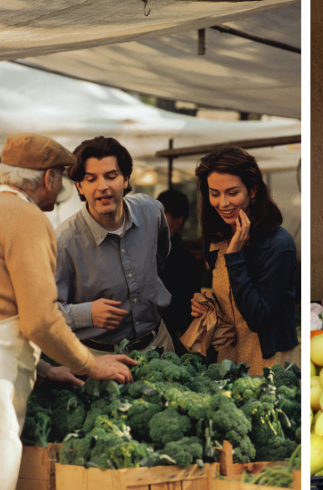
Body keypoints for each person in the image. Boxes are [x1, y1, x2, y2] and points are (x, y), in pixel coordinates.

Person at [0, 134, 137, 489]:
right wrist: (89, 364)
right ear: (49, 178)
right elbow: (40, 321)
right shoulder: (26, 217)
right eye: (62, 176)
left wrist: (47, 370)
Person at [55, 136, 175, 356]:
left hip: (159, 345)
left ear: (126, 179)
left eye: (111, 176)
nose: (103, 187)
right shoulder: (63, 243)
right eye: (91, 179)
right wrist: (87, 313)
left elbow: (159, 260)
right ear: (79, 186)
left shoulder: (152, 212)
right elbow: (44, 312)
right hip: (100, 357)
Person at [191, 146, 299, 374]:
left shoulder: (279, 245)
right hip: (227, 360)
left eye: (232, 192)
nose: (223, 203)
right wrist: (208, 307)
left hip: (269, 364)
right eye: (214, 193)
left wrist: (235, 257)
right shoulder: (216, 239)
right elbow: (230, 300)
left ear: (252, 190)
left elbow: (258, 318)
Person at [156, 189, 201, 354]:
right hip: (167, 336)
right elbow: (187, 312)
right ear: (180, 219)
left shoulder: (137, 244)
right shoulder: (184, 257)